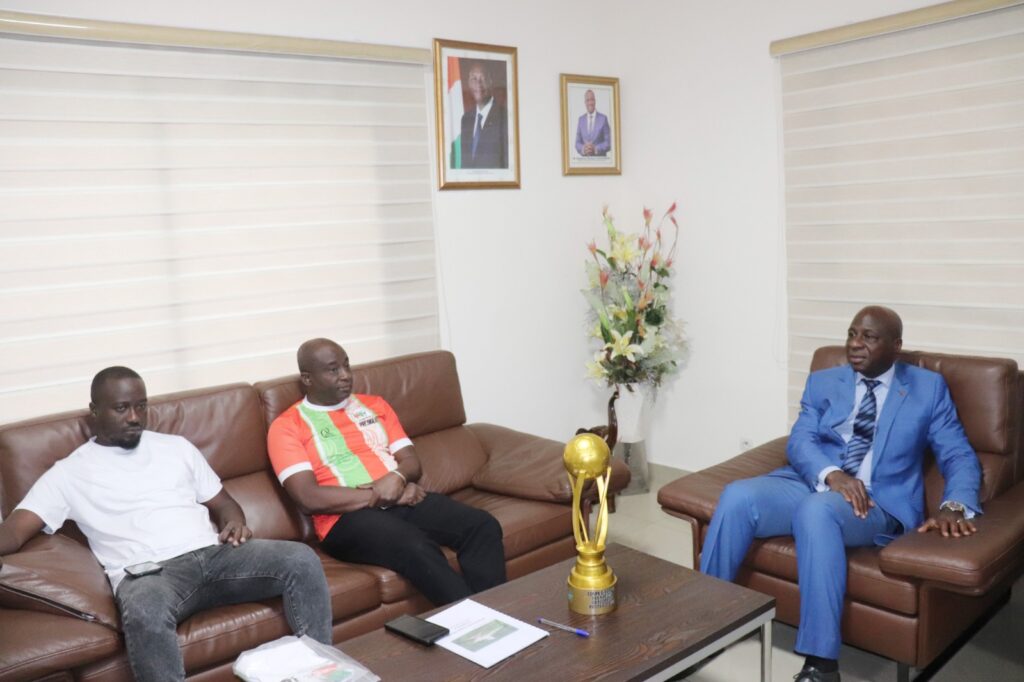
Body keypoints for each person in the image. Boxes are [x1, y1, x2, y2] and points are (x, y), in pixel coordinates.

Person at [700, 306, 981, 682]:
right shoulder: (824, 381)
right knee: (737, 496)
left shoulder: (927, 389)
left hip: (877, 501)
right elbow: (801, 439)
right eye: (852, 334)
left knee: (817, 512)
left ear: (896, 345)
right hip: (815, 482)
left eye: (869, 337)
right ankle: (704, 626)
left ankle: (821, 665)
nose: (855, 344)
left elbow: (958, 453)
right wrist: (832, 474)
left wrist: (955, 504)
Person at [0, 367, 332, 681]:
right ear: (95, 411)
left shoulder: (176, 448)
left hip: (216, 556)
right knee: (145, 610)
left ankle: (323, 671)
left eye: (141, 406)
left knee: (300, 559)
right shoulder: (68, 474)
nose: (134, 417)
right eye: (121, 408)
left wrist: (234, 523)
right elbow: (14, 531)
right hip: (150, 576)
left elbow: (224, 504)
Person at [267, 338, 506, 606]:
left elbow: (411, 461)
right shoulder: (286, 426)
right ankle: (478, 623)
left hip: (401, 497)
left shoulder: (374, 405)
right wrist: (386, 494)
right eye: (333, 370)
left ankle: (497, 611)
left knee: (481, 525)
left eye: (347, 365)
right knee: (415, 546)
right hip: (344, 520)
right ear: (307, 379)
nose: (345, 375)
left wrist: (398, 478)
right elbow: (308, 498)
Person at [458, 61, 508, 169]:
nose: (478, 84)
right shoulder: (466, 120)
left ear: (490, 82)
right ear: (469, 84)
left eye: (483, 78)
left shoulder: (504, 118)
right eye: (474, 79)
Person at [575, 89, 611, 157]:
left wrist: (596, 149)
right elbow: (577, 143)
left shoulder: (603, 119)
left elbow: (609, 142)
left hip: (600, 161)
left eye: (592, 99)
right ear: (585, 103)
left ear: (595, 101)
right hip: (584, 162)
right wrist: (584, 149)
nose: (590, 103)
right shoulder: (581, 120)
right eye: (588, 100)